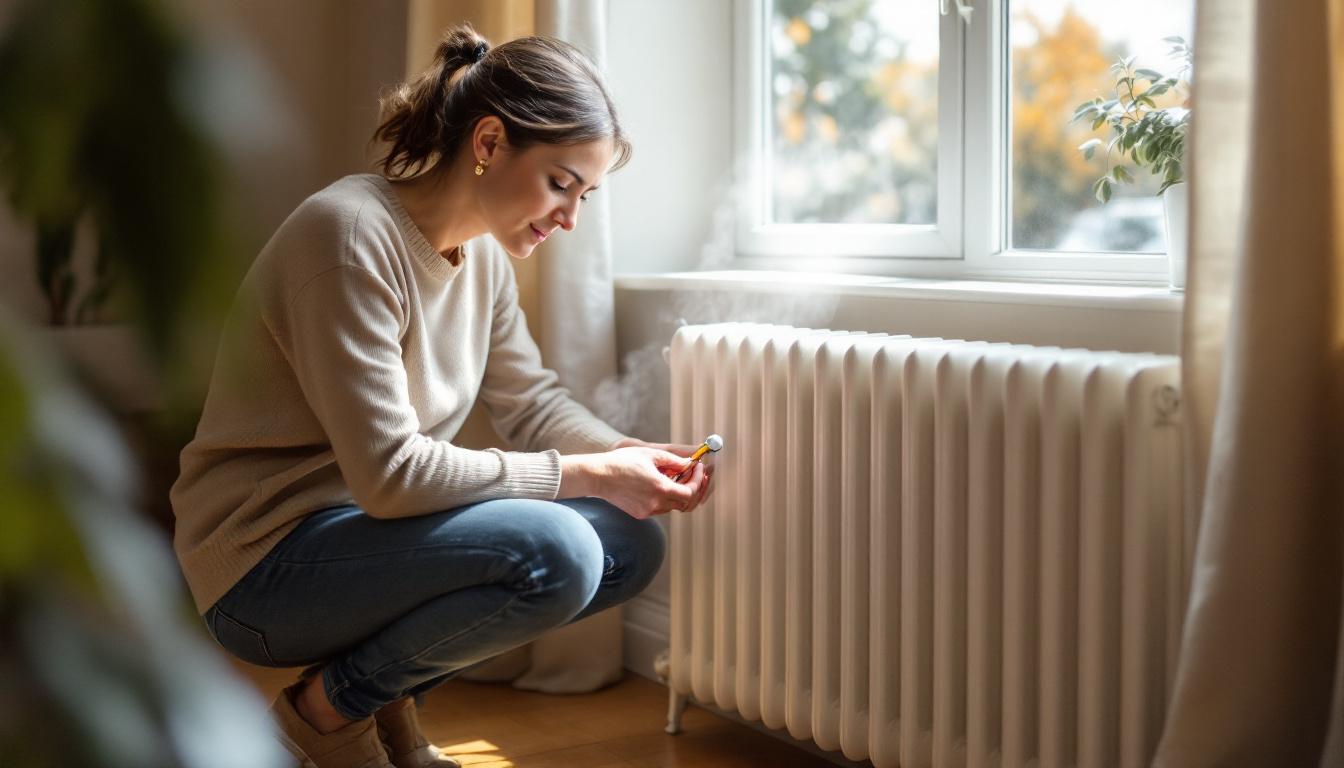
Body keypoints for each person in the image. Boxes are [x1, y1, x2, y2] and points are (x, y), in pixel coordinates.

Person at [169, 23, 712, 768]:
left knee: (626, 541)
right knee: (557, 550)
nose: (569, 217)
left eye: (585, 194)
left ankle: (388, 710)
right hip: (265, 567)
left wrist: (626, 457)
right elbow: (390, 477)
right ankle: (322, 716)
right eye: (561, 183)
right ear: (488, 144)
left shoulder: (482, 260)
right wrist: (584, 474)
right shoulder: (349, 236)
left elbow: (531, 404)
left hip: (370, 540)